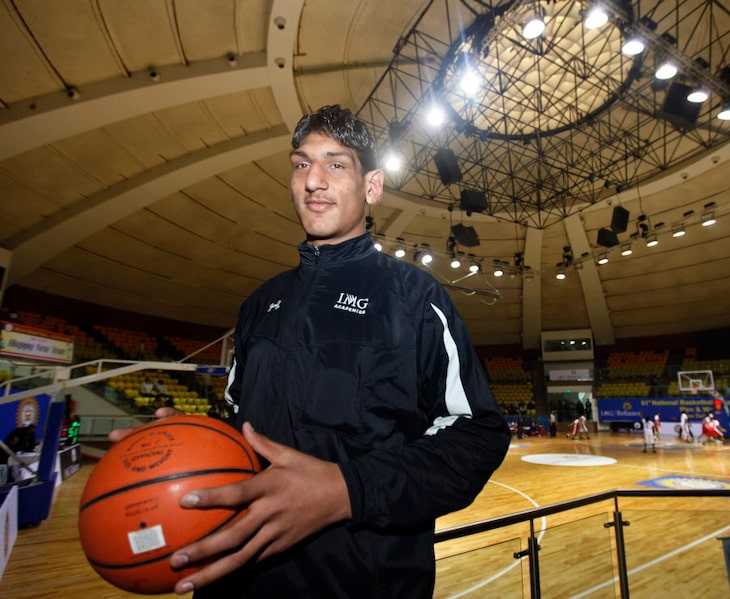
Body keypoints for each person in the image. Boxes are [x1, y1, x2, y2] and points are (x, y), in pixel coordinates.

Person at [112, 105, 510, 598]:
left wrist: (349, 490)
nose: (313, 181)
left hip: (364, 583)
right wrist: (197, 438)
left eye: (335, 164)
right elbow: (241, 420)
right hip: (238, 579)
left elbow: (478, 435)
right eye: (301, 164)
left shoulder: (416, 298)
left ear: (372, 187)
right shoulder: (258, 304)